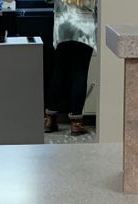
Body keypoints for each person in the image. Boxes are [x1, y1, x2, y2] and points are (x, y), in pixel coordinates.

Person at [44, 0, 98, 136]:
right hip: (85, 26)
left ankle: (50, 120)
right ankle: (76, 124)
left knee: (59, 71)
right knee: (80, 72)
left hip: (63, 24)